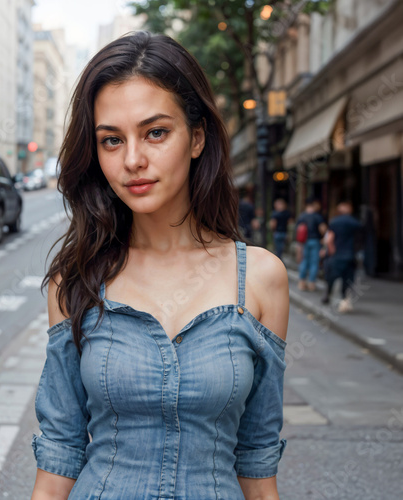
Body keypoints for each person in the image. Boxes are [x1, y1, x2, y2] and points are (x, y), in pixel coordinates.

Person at [31, 31, 289, 500]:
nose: (133, 160)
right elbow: (60, 451)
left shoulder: (260, 278)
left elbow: (256, 458)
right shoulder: (75, 282)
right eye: (111, 141)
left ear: (196, 138)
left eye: (155, 132)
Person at [322, 202, 363, 312]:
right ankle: (345, 301)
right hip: (350, 254)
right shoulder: (355, 223)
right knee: (348, 279)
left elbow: (329, 240)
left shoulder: (334, 222)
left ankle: (328, 295)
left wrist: (331, 251)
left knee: (331, 277)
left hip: (337, 254)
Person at [296, 197, 327, 291]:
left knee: (304, 261)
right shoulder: (317, 216)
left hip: (304, 242)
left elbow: (298, 231)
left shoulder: (301, 216)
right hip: (315, 241)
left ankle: (301, 282)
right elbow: (323, 229)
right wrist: (323, 238)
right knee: (314, 262)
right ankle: (311, 283)